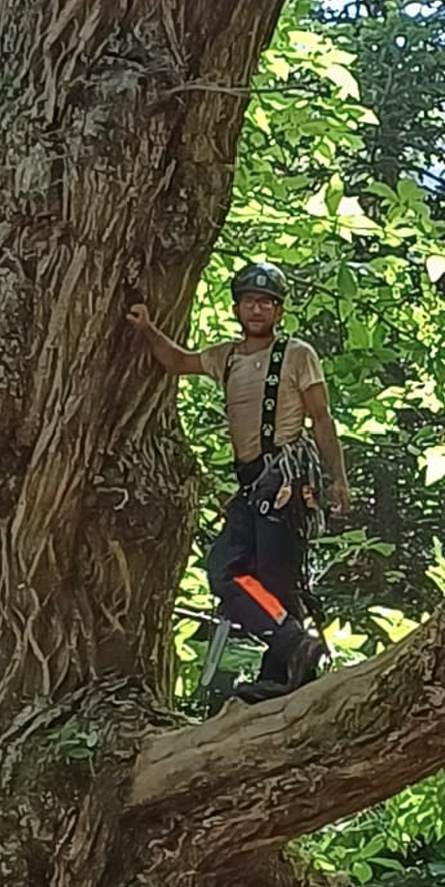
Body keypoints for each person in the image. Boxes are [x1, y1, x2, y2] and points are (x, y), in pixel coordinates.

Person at [127, 261, 351, 693]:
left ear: (279, 311)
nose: (257, 310)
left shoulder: (297, 355)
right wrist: (147, 329)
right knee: (253, 578)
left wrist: (337, 478)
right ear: (236, 308)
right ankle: (289, 667)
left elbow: (321, 419)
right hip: (252, 482)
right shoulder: (226, 356)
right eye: (249, 301)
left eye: (267, 303)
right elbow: (177, 361)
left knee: (243, 573)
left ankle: (287, 660)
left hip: (284, 477)